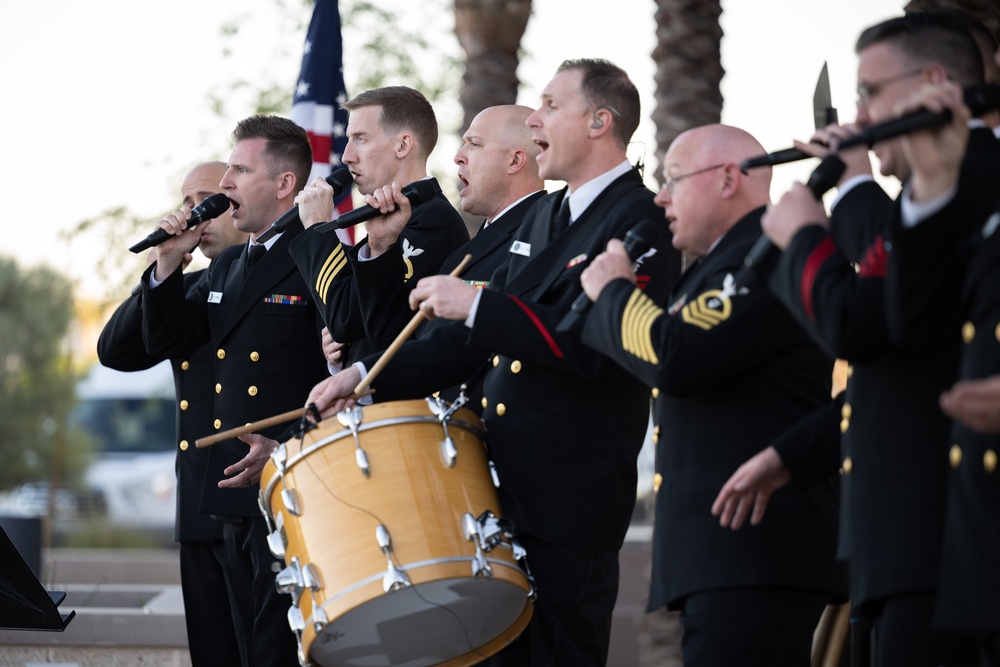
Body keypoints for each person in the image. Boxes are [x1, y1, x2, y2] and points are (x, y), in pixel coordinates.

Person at [305, 58, 682, 667]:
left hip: (569, 503)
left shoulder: (639, 219)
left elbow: (592, 347)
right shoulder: (551, 214)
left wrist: (477, 304)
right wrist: (362, 378)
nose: (536, 122)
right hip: (501, 495)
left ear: (599, 122)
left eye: (551, 107)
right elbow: (473, 341)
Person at [744, 13, 987, 666]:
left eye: (870, 93)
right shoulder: (931, 185)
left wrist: (814, 224)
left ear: (934, 84)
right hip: (905, 535)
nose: (858, 113)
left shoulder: (970, 175)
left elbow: (872, 322)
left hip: (943, 529)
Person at [577, 123, 845, 666]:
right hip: (730, 553)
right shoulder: (727, 263)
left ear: (728, 179)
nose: (660, 196)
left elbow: (675, 358)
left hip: (754, 549)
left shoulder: (760, 255)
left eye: (673, 178)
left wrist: (612, 293)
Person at [139, 115, 332, 665]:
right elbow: (170, 340)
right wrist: (170, 261)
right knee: (242, 650)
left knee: (277, 652)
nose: (225, 186)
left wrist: (291, 444)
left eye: (239, 172)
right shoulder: (232, 265)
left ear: (284, 185)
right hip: (229, 492)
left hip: (289, 488)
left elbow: (347, 369)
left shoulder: (314, 253)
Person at [96, 161, 249, 667]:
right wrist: (165, 264)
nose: (193, 215)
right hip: (198, 500)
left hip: (255, 497)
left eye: (205, 201)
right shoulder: (189, 286)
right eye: (187, 204)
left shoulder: (279, 272)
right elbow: (116, 350)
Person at [307, 104, 545, 406]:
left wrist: (362, 368)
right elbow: (399, 338)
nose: (458, 155)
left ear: (515, 160)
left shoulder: (541, 233)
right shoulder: (472, 248)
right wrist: (380, 246)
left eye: (474, 144)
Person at [882, 78, 1000, 664]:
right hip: (979, 552)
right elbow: (913, 324)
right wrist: (930, 183)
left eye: (871, 90)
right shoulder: (970, 180)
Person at [289, 85, 469, 365]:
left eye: (360, 139)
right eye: (348, 139)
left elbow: (346, 318)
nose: (347, 155)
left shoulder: (433, 219)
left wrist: (316, 228)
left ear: (403, 145)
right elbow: (360, 321)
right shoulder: (390, 217)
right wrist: (339, 355)